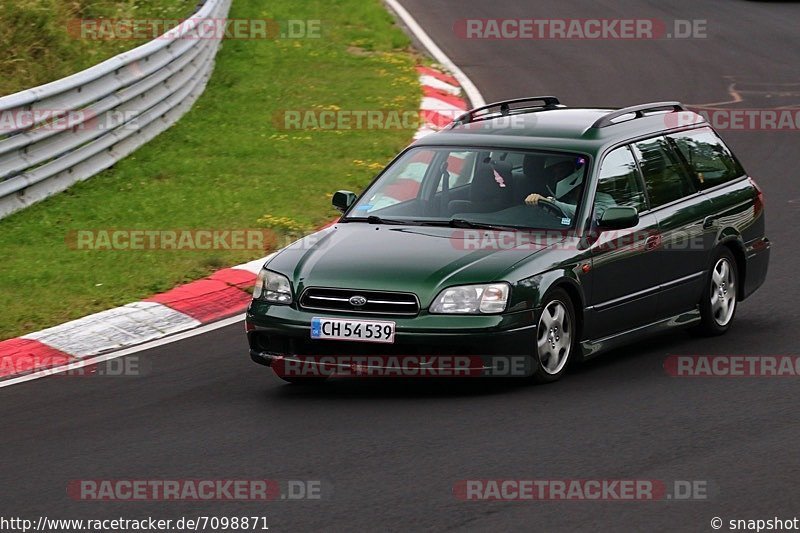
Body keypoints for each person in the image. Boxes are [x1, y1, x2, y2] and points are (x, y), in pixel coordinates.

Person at [525, 157, 615, 220]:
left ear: (575, 170)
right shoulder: (566, 199)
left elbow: (591, 215)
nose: (557, 177)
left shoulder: (604, 199)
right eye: (553, 174)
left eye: (561, 171)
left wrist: (550, 202)